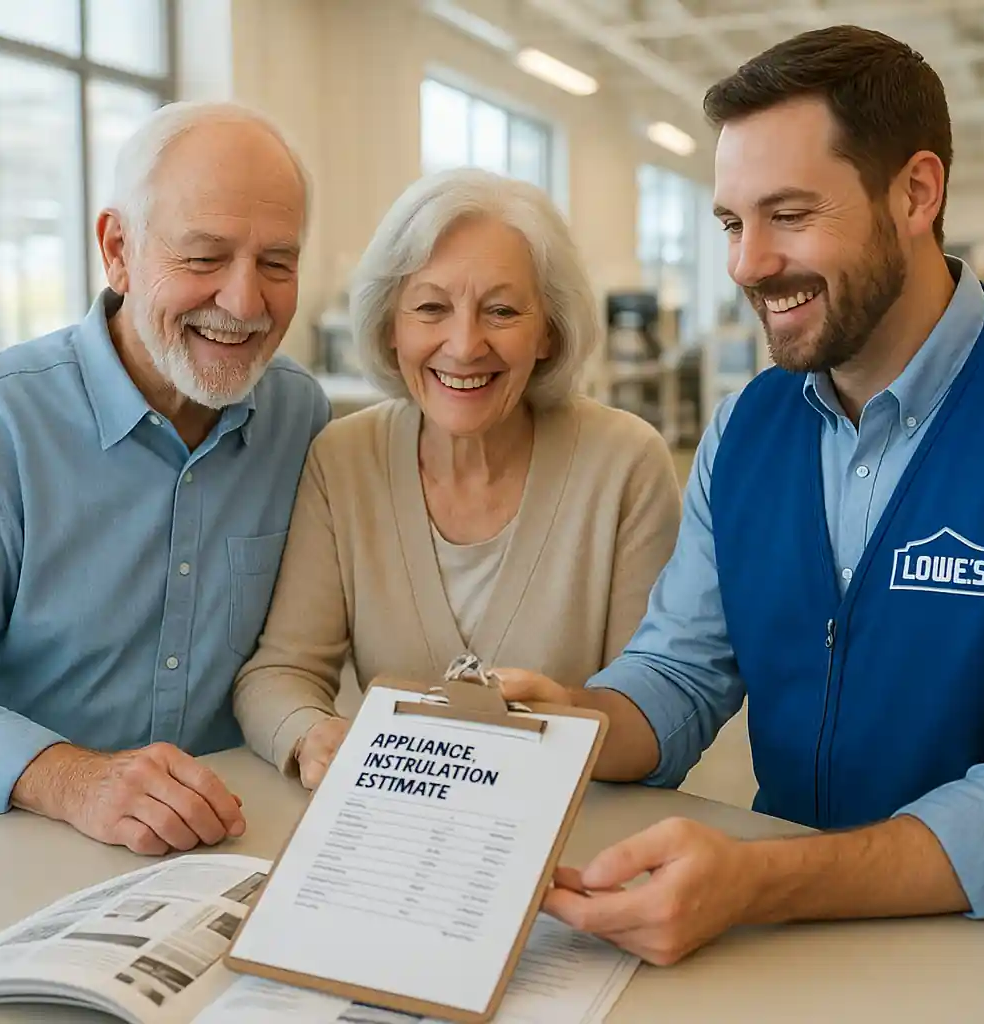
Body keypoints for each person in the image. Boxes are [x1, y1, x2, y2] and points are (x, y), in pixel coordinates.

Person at [497, 24, 984, 965]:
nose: (746, 266)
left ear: (915, 192)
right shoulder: (745, 432)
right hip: (786, 942)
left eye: (789, 214)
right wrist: (570, 721)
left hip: (976, 954)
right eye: (734, 224)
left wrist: (761, 880)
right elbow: (682, 672)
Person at [233, 168, 682, 789]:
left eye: (501, 310)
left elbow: (656, 699)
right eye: (431, 308)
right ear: (392, 327)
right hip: (403, 836)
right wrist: (313, 732)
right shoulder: (343, 460)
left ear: (548, 331)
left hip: (576, 835)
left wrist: (571, 716)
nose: (465, 345)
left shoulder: (626, 464)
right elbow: (278, 674)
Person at [0, 101, 331, 856]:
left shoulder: (299, 417)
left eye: (277, 262)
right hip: (33, 848)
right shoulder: (8, 423)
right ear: (118, 249)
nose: (244, 304)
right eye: (204, 257)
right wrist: (71, 779)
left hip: (231, 844)